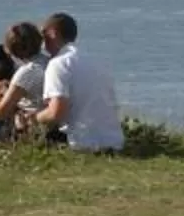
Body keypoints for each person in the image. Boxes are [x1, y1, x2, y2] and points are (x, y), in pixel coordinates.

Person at [30, 11, 124, 152]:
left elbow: (56, 113)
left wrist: (34, 118)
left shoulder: (58, 64)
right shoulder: (95, 60)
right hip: (114, 141)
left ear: (53, 33)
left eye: (44, 34)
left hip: (83, 142)